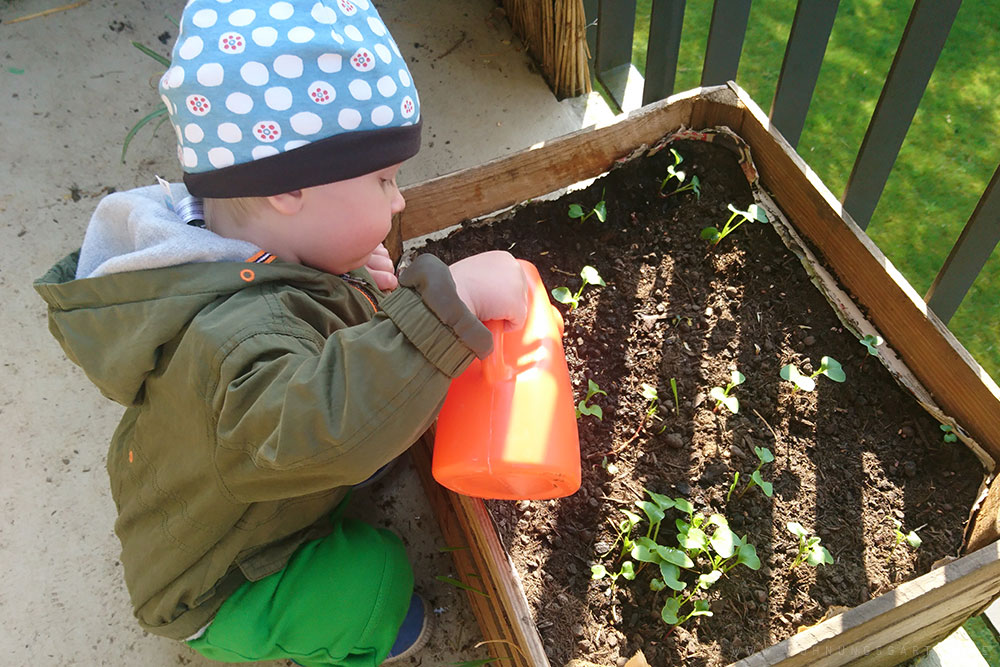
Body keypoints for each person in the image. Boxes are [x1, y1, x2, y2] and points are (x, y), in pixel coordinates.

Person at [33, 1, 527, 665]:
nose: (399, 199)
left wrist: (347, 274)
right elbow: (321, 426)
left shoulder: (232, 244)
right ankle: (361, 630)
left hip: (231, 489)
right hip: (216, 583)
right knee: (375, 574)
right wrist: (453, 300)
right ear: (290, 190)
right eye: (384, 179)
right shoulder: (234, 344)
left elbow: (294, 304)